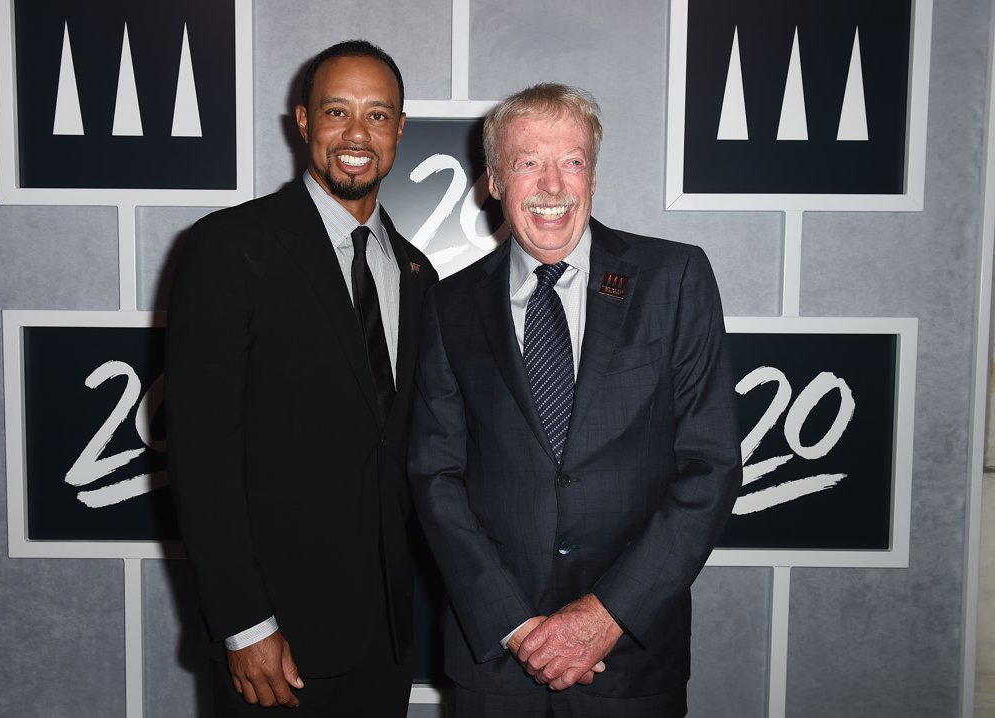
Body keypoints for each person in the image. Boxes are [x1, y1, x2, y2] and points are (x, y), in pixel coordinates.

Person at [408, 83, 742, 717]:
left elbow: (712, 464)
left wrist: (607, 614)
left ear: (594, 173)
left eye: (573, 160)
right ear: (495, 182)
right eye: (528, 161)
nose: (553, 184)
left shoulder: (674, 279)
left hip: (630, 654)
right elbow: (435, 476)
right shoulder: (449, 305)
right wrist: (514, 626)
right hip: (497, 659)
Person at [165, 40, 436, 716]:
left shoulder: (415, 272)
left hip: (386, 641)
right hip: (275, 646)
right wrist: (245, 624)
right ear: (303, 121)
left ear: (400, 130)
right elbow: (201, 458)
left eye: (377, 116)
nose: (356, 135)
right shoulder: (229, 248)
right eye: (336, 112)